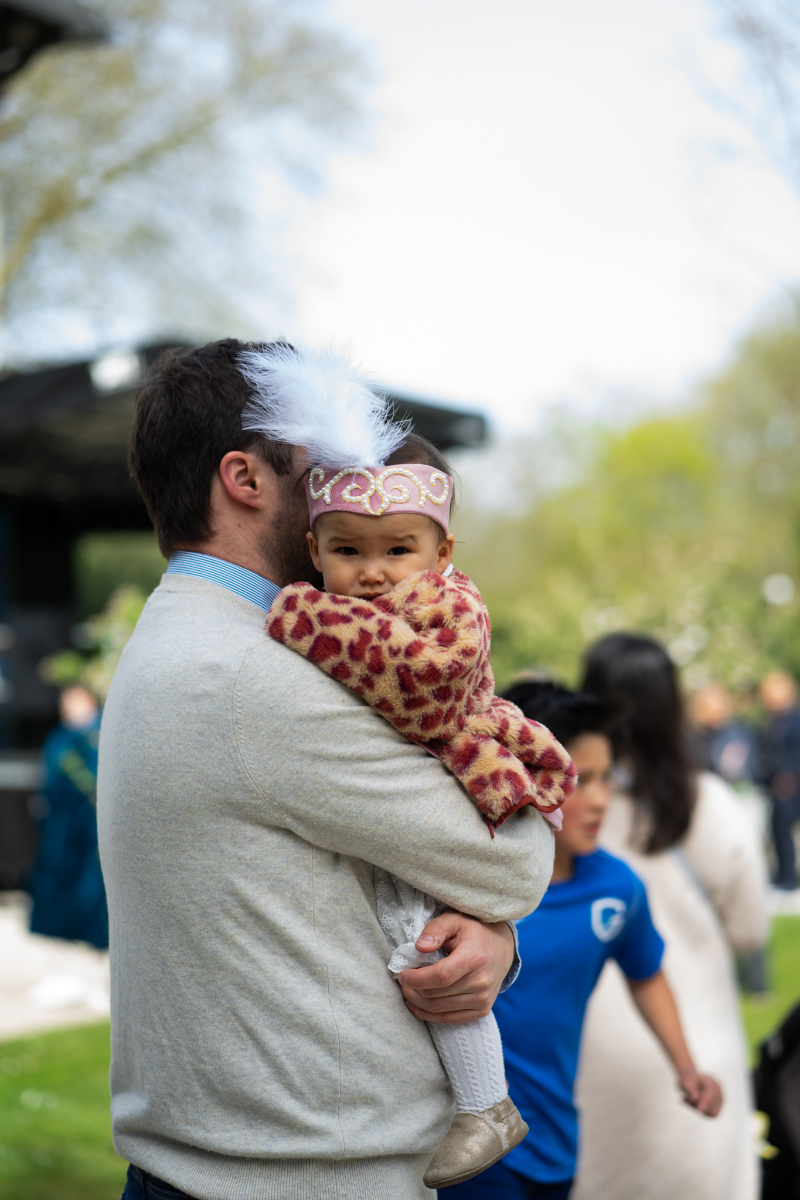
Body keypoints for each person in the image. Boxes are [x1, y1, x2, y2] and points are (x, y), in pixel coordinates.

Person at [98, 340, 557, 1200]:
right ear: (245, 477)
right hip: (299, 1178)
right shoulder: (248, 678)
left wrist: (486, 937)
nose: (354, 478)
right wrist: (494, 916)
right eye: (323, 460)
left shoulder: (190, 638)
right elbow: (514, 854)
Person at [247, 344, 575, 1190]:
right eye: (348, 550)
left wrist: (307, 619)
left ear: (441, 550)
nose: (372, 572)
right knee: (405, 935)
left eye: (398, 549)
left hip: (460, 779)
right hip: (400, 790)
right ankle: (462, 1097)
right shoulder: (334, 606)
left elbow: (426, 693)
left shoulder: (450, 605)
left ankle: (486, 1102)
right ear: (314, 547)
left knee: (425, 939)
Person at [446, 680, 722, 1200]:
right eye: (581, 780)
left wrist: (687, 1068)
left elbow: (647, 974)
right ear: (524, 773)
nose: (600, 799)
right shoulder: (468, 886)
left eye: (606, 779)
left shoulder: (616, 889)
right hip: (471, 1151)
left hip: (556, 1145)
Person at [571, 633, 768, 1200]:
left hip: (589, 1049)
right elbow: (751, 929)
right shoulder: (709, 801)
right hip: (698, 1046)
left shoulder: (562, 807)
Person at [28, 684, 107, 949]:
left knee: (92, 892)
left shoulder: (100, 734)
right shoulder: (60, 737)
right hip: (62, 829)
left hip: (91, 830)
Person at [759, 669, 800, 890]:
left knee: (785, 831)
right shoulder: (771, 721)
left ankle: (788, 877)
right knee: (777, 832)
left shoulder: (795, 720)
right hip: (774, 785)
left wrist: (790, 775)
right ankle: (783, 874)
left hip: (791, 786)